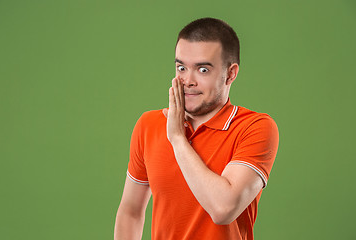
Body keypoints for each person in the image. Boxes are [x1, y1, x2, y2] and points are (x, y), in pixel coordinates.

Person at [114, 17, 279, 240]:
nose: (188, 80)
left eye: (202, 70)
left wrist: (177, 139)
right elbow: (131, 212)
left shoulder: (254, 127)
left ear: (231, 73)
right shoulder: (149, 125)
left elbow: (223, 209)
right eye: (181, 67)